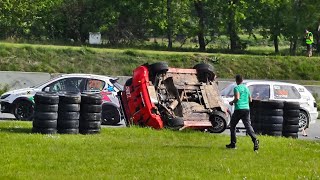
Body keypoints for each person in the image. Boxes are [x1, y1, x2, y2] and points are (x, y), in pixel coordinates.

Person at [226, 75, 259, 151]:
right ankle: (255, 140)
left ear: (236, 80)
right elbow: (250, 99)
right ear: (242, 80)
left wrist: (232, 102)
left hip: (239, 109)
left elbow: (237, 98)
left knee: (233, 125)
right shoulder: (246, 88)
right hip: (246, 109)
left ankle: (233, 144)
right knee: (248, 126)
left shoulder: (236, 88)